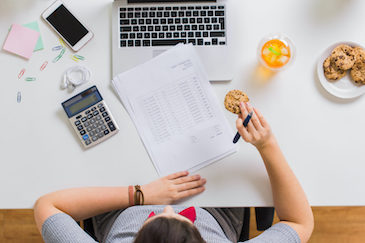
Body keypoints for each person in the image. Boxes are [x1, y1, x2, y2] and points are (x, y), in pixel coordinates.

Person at [34, 102, 314, 243]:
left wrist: (142, 195)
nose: (168, 209)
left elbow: (48, 205)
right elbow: (300, 223)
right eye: (181, 219)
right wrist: (267, 144)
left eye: (154, 219)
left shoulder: (152, 206)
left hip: (120, 202)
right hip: (216, 203)